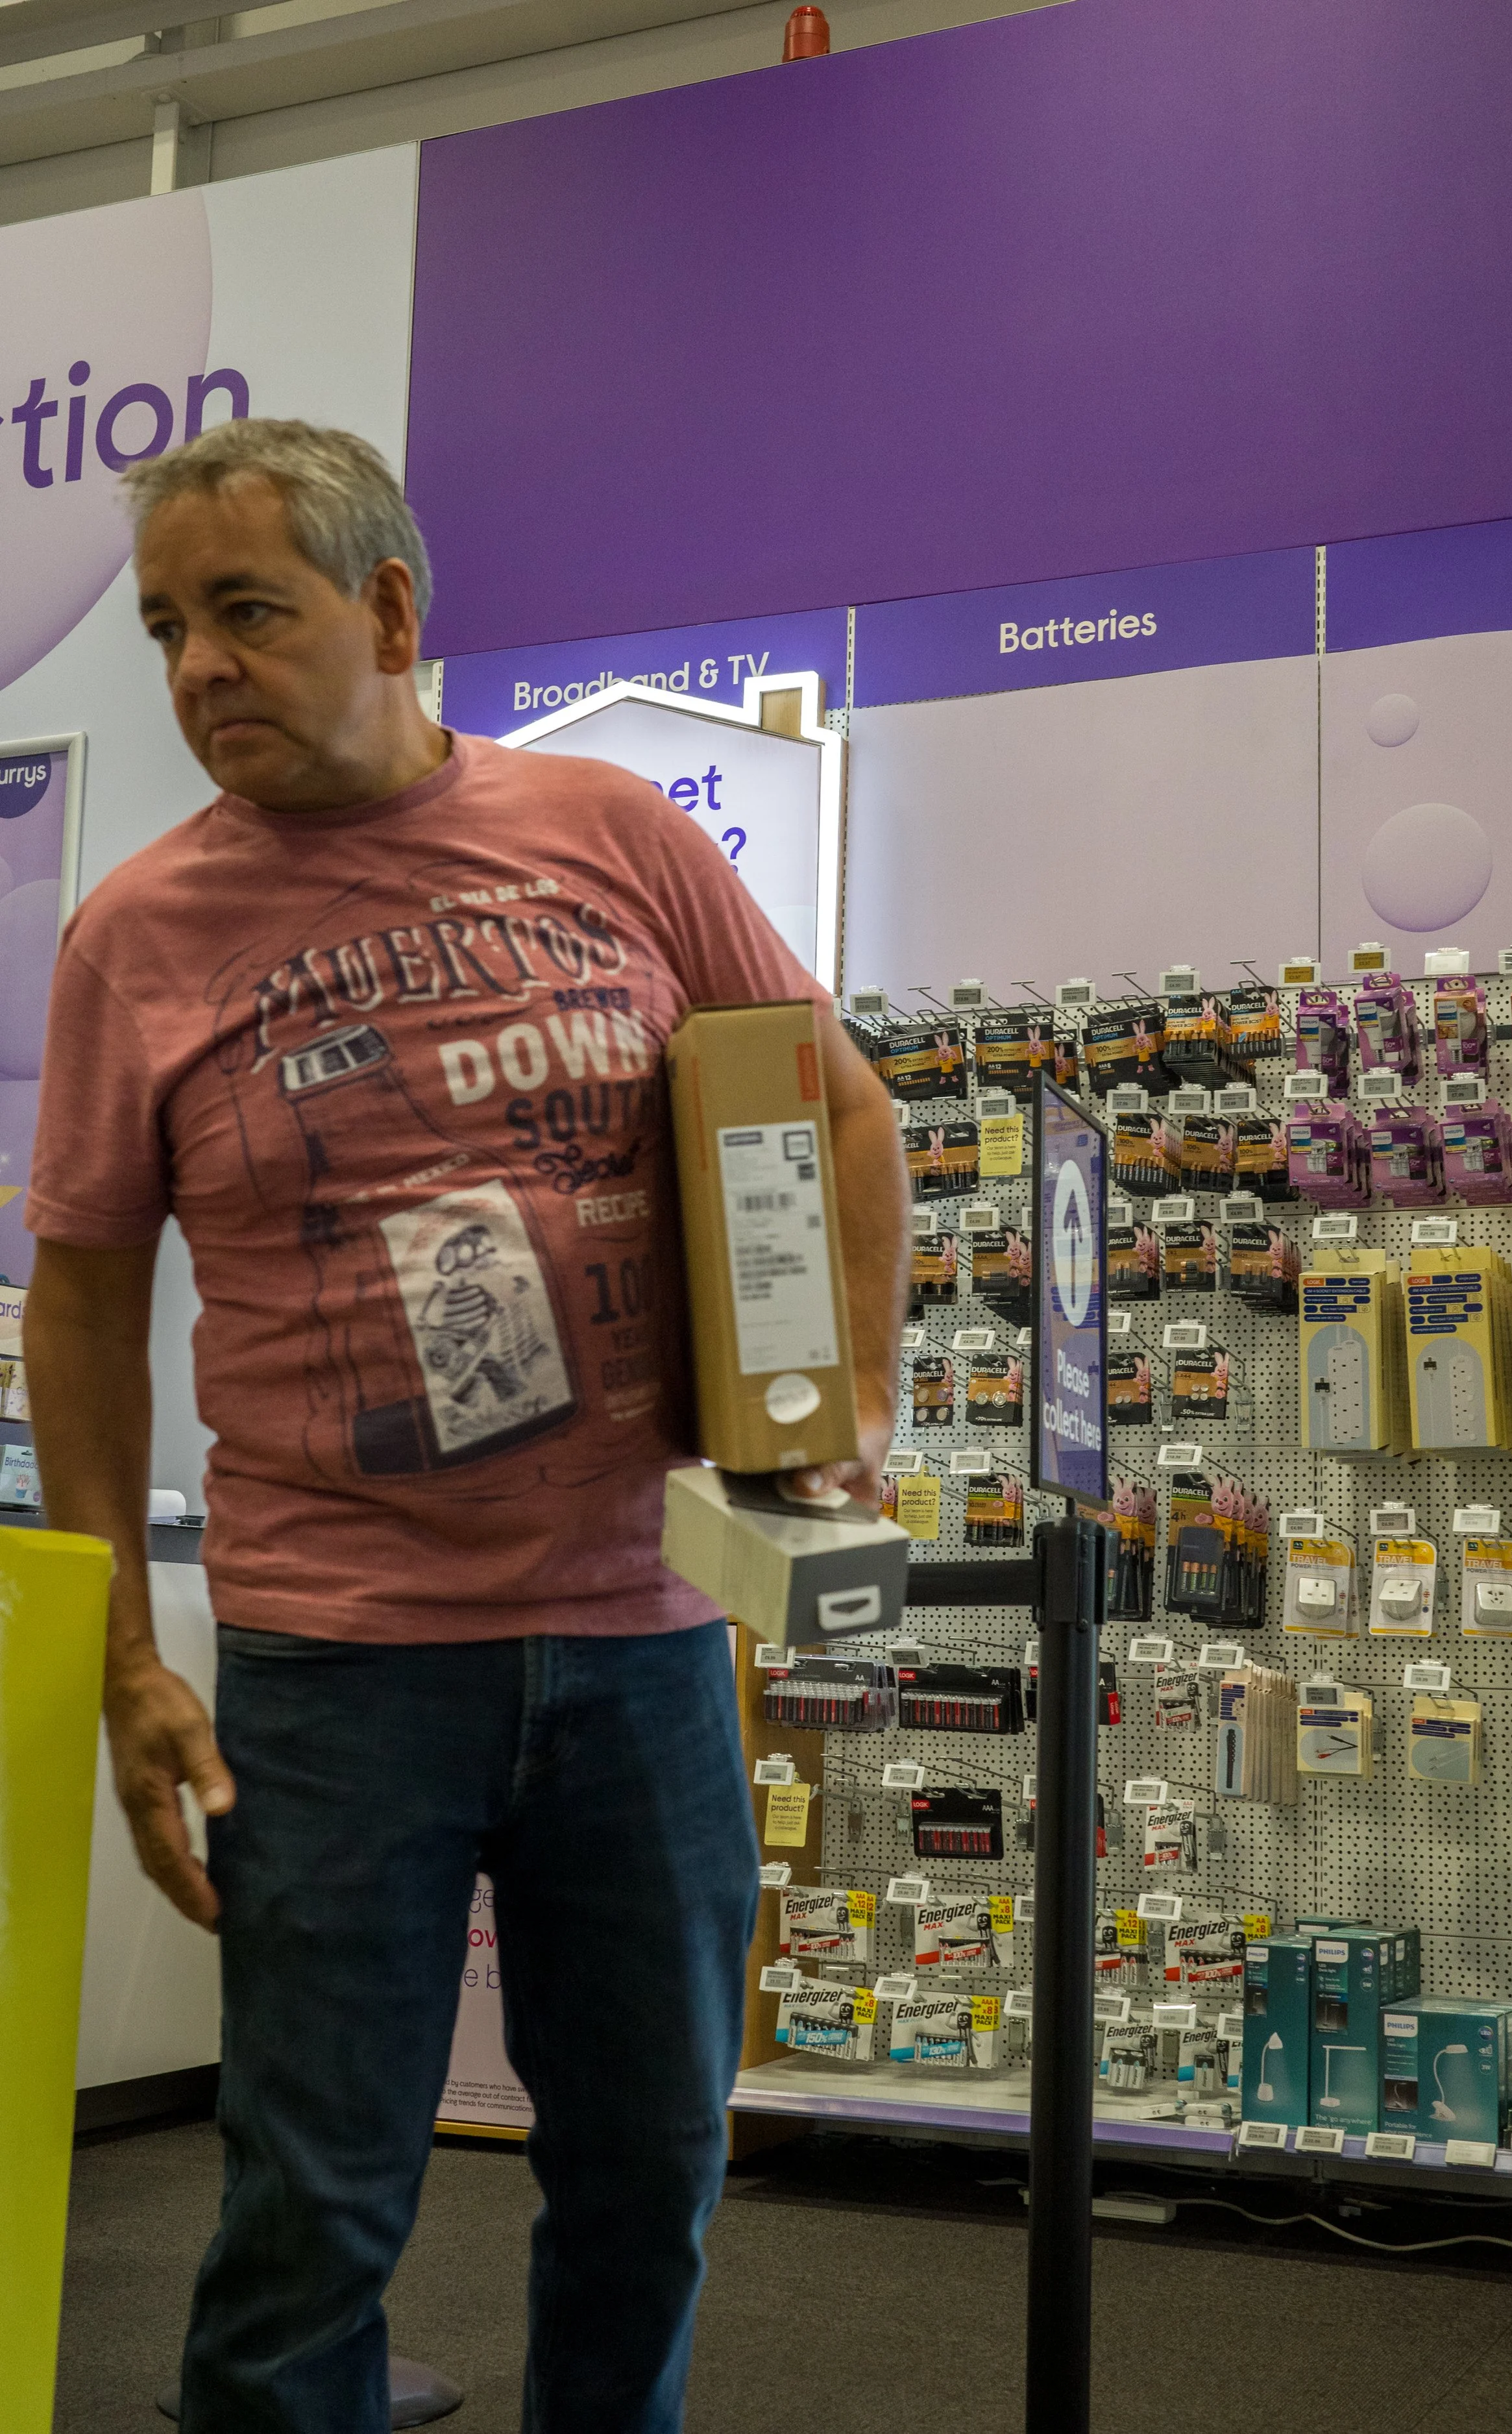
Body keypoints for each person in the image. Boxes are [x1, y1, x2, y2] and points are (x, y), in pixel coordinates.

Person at [22, 419, 908, 2434]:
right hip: (338, 1666)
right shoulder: (138, 937)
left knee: (649, 2176)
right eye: (170, 628)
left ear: (393, 611)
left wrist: (849, 1395)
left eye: (249, 613)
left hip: (645, 1637)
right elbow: (80, 1293)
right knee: (310, 2204)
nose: (198, 672)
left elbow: (832, 1099)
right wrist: (118, 1651)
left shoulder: (612, 834)